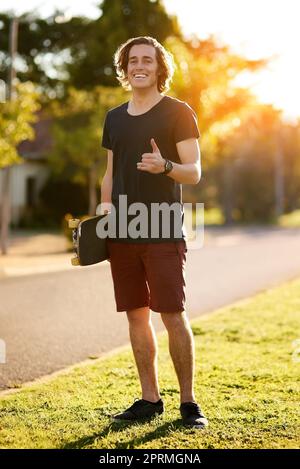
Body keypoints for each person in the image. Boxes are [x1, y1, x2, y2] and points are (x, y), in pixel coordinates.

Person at [100, 36, 208, 429]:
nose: (139, 65)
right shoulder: (113, 117)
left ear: (160, 68)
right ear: (124, 68)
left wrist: (165, 166)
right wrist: (104, 215)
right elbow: (110, 174)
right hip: (122, 232)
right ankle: (149, 399)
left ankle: (189, 404)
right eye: (132, 60)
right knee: (135, 316)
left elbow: (194, 172)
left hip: (163, 229)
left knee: (173, 315)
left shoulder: (178, 112)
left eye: (147, 60)